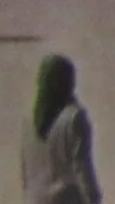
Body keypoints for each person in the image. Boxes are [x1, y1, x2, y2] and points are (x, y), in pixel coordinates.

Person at [20, 54, 102, 204]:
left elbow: (25, 173)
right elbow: (82, 168)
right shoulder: (74, 118)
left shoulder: (28, 120)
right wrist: (94, 199)